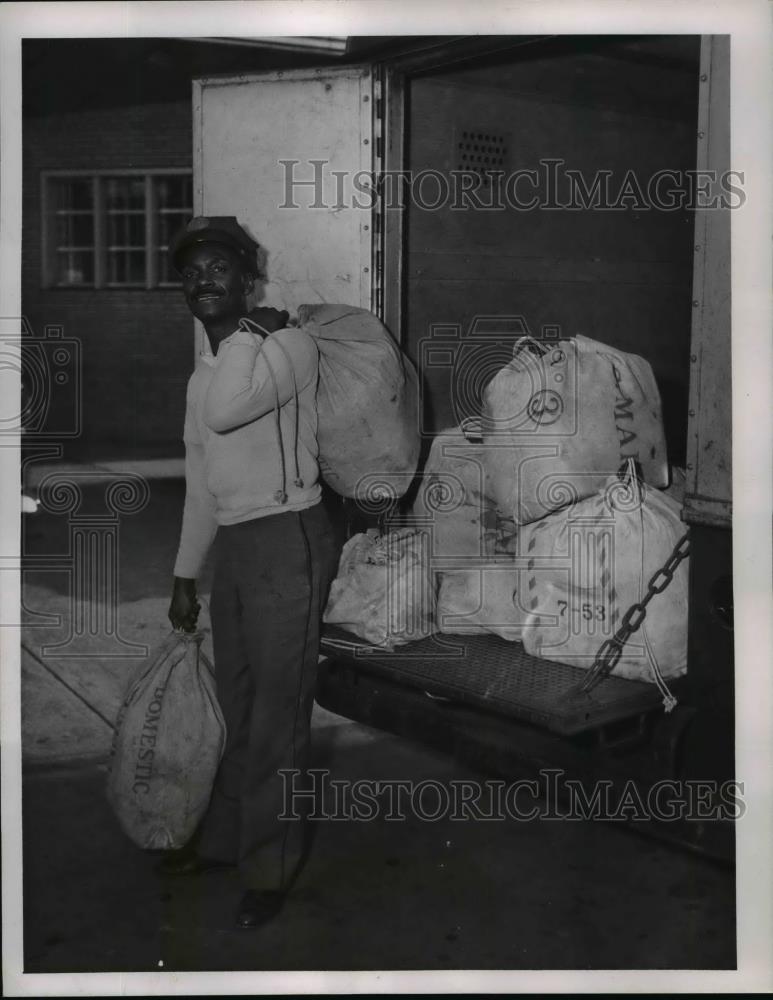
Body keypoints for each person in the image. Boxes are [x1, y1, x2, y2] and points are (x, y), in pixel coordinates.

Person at [162, 215, 340, 929]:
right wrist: (184, 572)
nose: (204, 280)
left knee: (276, 713)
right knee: (237, 705)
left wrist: (243, 338)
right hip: (238, 546)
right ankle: (228, 840)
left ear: (250, 280)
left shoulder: (287, 346)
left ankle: (269, 866)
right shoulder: (206, 370)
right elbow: (202, 476)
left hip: (288, 537)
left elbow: (229, 412)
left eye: (220, 268)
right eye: (192, 270)